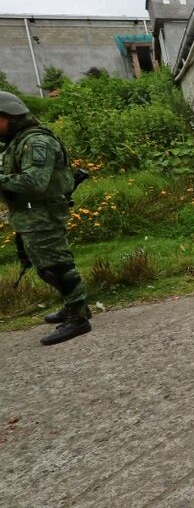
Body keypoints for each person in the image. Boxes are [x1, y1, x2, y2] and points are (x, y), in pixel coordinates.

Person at [0, 92, 91, 345]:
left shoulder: (36, 142)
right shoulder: (17, 142)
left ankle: (79, 317)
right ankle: (74, 305)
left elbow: (35, 181)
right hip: (30, 214)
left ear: (9, 116)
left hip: (43, 214)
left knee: (57, 265)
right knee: (43, 265)